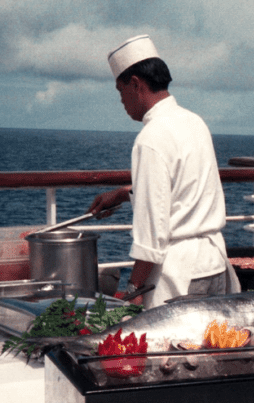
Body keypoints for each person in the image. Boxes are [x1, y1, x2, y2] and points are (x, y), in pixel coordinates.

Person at [88, 34, 240, 308]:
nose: (121, 101)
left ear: (135, 84)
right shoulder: (194, 122)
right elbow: (181, 194)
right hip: (214, 264)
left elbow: (151, 235)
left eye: (120, 91)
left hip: (180, 276)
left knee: (175, 350)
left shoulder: (151, 138)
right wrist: (123, 195)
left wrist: (132, 292)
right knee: (214, 349)